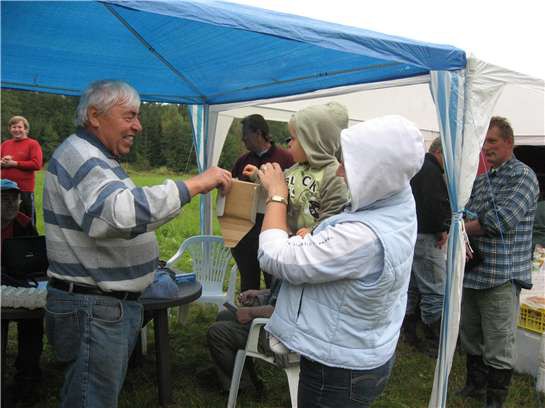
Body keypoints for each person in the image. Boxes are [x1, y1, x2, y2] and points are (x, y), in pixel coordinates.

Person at [43, 80, 232, 408]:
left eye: (139, 116)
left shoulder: (98, 156)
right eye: (129, 116)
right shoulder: (82, 155)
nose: (138, 126)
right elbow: (115, 214)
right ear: (95, 115)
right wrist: (192, 186)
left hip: (101, 306)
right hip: (95, 307)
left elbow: (125, 215)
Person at [257, 115, 426, 407]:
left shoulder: (363, 237)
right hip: (364, 350)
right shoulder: (399, 198)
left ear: (376, 172)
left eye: (349, 165)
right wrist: (318, 236)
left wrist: (277, 195)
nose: (339, 173)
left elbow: (275, 256)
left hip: (337, 370)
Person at [460, 116, 539, 407]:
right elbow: (468, 212)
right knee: (471, 334)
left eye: (492, 141)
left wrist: (462, 228)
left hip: (501, 275)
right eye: (484, 142)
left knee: (498, 340)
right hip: (474, 272)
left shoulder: (523, 176)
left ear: (509, 142)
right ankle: (474, 385)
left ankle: (495, 399)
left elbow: (501, 220)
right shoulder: (482, 179)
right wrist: (466, 221)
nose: (486, 147)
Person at [244, 102, 350, 237]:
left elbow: (335, 213)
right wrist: (257, 175)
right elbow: (276, 185)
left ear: (312, 142)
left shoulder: (333, 173)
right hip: (292, 240)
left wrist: (314, 230)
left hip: (317, 245)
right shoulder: (296, 169)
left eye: (293, 139)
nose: (289, 144)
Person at [231, 114, 293, 291]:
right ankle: (246, 315)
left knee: (274, 282)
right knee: (248, 281)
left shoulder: (286, 159)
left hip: (274, 230)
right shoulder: (242, 161)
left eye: (246, 135)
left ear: (259, 133)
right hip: (244, 233)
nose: (243, 139)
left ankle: (269, 314)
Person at [403, 137, 450, 354]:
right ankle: (436, 341)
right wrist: (442, 226)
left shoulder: (418, 166)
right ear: (441, 152)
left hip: (413, 234)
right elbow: (433, 204)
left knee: (412, 287)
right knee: (434, 290)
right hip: (427, 236)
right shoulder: (431, 170)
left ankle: (409, 334)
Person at [0, 179, 44, 407]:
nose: (10, 205)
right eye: (3, 199)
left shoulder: (24, 223)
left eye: (13, 200)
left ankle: (28, 376)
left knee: (33, 319)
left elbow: (35, 256)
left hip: (21, 282)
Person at [205, 279, 282, 393]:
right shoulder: (297, 268)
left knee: (217, 333)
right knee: (225, 316)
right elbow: (278, 294)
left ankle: (244, 385)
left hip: (281, 338)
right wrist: (257, 294)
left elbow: (283, 309)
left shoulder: (297, 272)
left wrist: (251, 312)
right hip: (275, 326)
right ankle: (243, 377)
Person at [0, 115, 43, 224]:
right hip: (5, 190)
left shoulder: (33, 144)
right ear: (10, 129)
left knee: (27, 220)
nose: (17, 130)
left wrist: (14, 163)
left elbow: (37, 164)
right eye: (14, 127)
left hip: (24, 190)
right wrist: (2, 162)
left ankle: (31, 240)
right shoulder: (5, 144)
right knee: (6, 220)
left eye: (20, 127)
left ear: (26, 129)